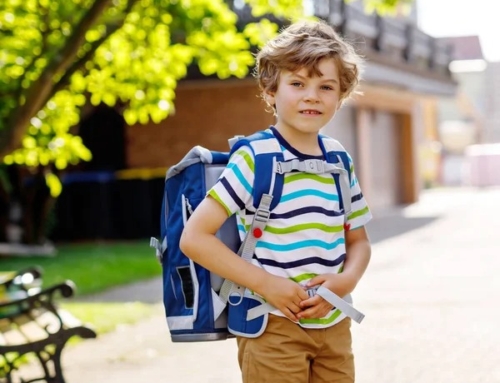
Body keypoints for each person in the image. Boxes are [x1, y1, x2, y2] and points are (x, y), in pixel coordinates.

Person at [180, 20, 372, 383]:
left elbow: (359, 242)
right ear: (271, 91)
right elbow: (194, 238)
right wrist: (267, 284)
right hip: (271, 326)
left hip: (334, 325)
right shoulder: (256, 156)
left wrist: (346, 281)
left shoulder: (338, 159)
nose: (311, 95)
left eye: (325, 86)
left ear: (340, 96)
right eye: (297, 84)